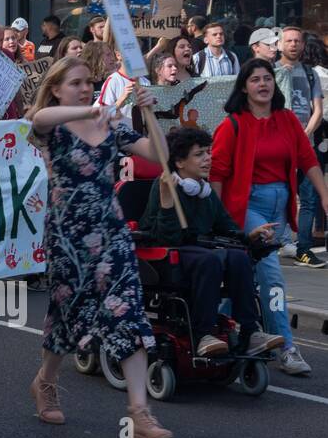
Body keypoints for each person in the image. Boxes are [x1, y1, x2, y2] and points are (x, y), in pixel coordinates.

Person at [26, 56, 172, 438]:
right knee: (67, 315)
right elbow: (38, 119)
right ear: (57, 88)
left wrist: (148, 112)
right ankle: (45, 382)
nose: (86, 87)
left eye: (88, 82)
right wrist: (89, 108)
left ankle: (140, 413)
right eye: (75, 82)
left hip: (111, 234)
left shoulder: (112, 125)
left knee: (128, 311)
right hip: (68, 236)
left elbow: (159, 156)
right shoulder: (53, 126)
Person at [210, 59, 328, 376]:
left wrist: (326, 196)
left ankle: (216, 327)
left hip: (279, 208)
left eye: (267, 79)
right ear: (244, 87)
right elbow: (217, 174)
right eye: (255, 80)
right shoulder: (233, 124)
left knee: (244, 277)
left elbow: (307, 158)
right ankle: (286, 348)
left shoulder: (287, 119)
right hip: (246, 206)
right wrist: (218, 220)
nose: (263, 84)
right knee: (272, 276)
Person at [138, 126, 283, 358]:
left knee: (238, 256)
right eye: (199, 154)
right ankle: (203, 334)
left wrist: (249, 236)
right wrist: (167, 203)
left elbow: (226, 226)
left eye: (208, 152)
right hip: (168, 255)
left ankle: (250, 332)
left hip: (198, 253)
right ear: (180, 162)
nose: (208, 158)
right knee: (209, 260)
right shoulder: (164, 186)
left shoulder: (204, 192)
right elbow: (167, 239)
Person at [276, 27, 326, 268]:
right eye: (289, 41)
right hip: (279, 146)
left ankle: (303, 248)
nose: (293, 45)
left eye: (297, 41)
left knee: (308, 197)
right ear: (280, 44)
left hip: (306, 144)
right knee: (279, 195)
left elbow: (317, 108)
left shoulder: (309, 73)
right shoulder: (271, 72)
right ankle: (275, 242)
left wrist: (305, 134)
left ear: (303, 45)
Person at [96, 49, 141, 124]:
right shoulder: (113, 80)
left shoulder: (145, 82)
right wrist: (122, 99)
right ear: (118, 55)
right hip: (121, 133)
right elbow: (103, 115)